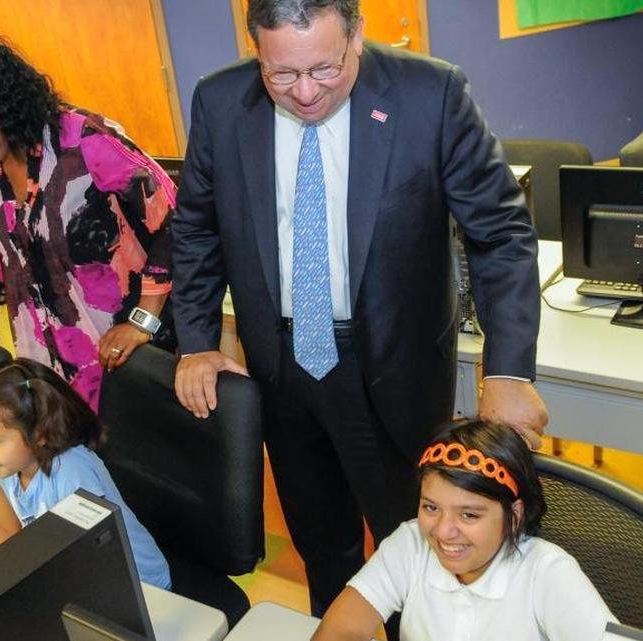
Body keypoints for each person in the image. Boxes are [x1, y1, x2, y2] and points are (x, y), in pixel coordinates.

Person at [171, 0, 548, 617]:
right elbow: (197, 231)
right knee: (323, 550)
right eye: (282, 75)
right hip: (281, 368)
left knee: (421, 556)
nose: (306, 93)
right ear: (255, 51)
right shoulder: (220, 101)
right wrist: (197, 339)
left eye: (325, 69)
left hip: (395, 367)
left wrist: (508, 371)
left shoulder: (432, 93)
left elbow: (501, 234)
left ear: (357, 36)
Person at [0, 26, 177, 412]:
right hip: (49, 367)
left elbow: (172, 220)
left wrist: (143, 320)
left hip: (126, 356)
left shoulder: (84, 141)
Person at [312, 419, 616, 640]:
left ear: (514, 515)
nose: (443, 532)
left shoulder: (548, 572)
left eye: (469, 515)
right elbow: (341, 628)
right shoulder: (411, 543)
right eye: (431, 507)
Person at [0, 358, 171, 589]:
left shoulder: (71, 471)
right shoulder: (0, 464)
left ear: (39, 433)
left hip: (138, 583)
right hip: (73, 570)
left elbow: (97, 557)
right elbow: (4, 529)